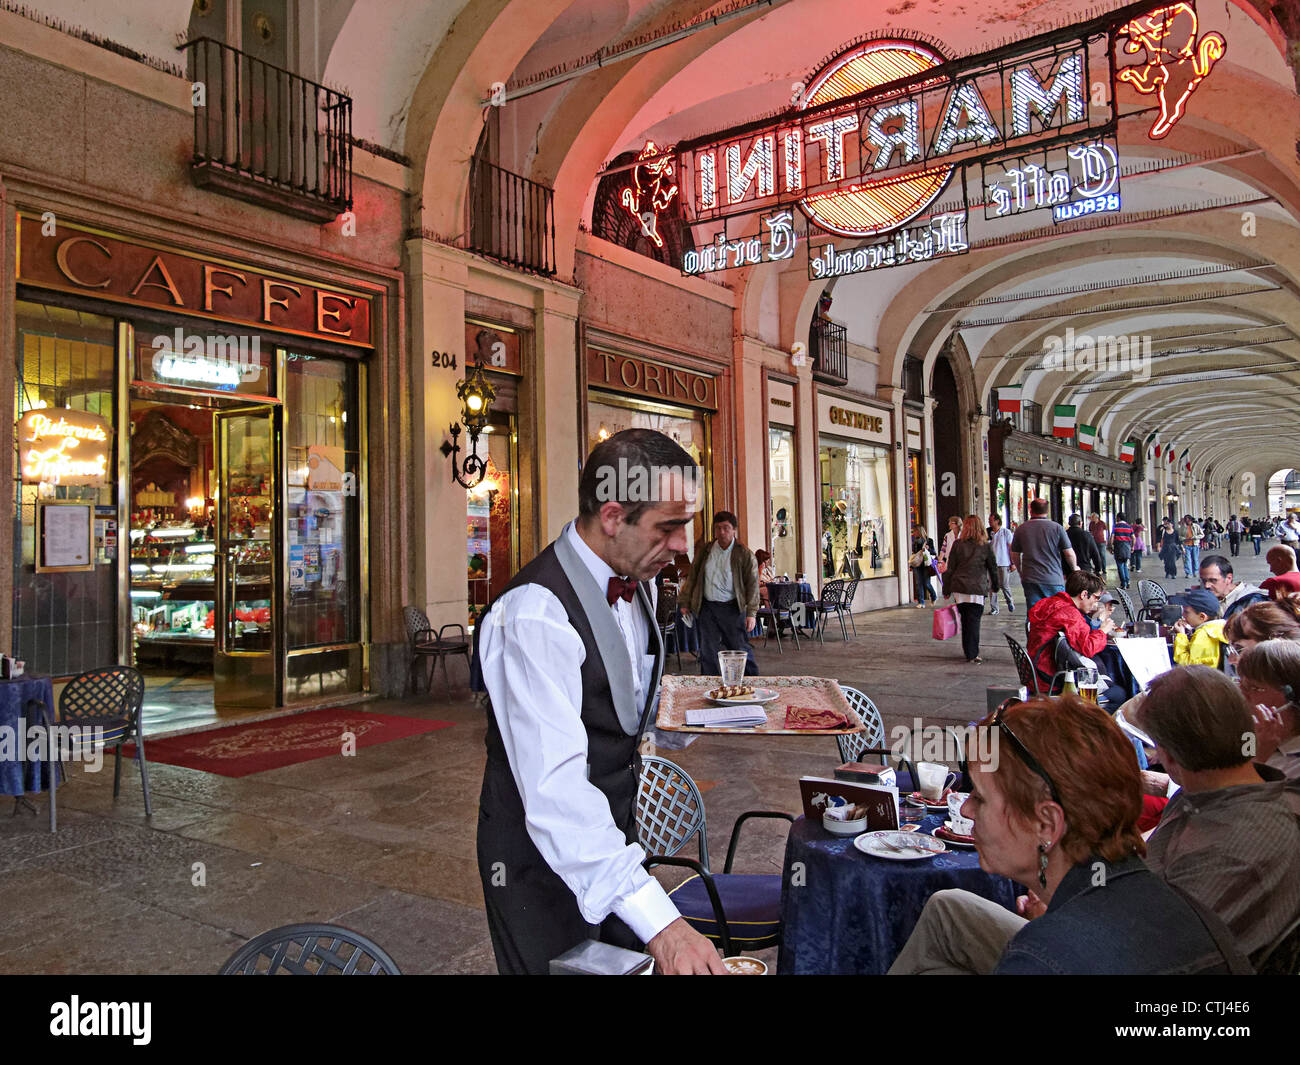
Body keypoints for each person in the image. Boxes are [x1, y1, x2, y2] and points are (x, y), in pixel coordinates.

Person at [474, 429, 726, 975]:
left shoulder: (643, 581)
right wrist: (662, 923)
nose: (684, 544)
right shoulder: (533, 615)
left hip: (616, 849)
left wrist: (692, 711)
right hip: (538, 866)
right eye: (670, 526)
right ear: (613, 516)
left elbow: (621, 708)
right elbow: (556, 794)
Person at [888, 696, 1232, 975]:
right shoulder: (1175, 902)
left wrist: (1051, 934)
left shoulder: (1043, 956)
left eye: (979, 797)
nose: (965, 811)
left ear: (1046, 825)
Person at [1135, 666, 1300, 962]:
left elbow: (1152, 954)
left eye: (1156, 748)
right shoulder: (1201, 793)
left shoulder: (1232, 849)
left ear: (1169, 756)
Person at [682, 510, 760, 677]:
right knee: (708, 650)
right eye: (718, 528)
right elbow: (693, 577)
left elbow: (753, 586)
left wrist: (751, 613)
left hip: (732, 608)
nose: (722, 532)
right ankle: (710, 684)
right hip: (707, 607)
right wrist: (685, 602)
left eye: (726, 528)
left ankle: (752, 681)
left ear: (734, 530)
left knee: (739, 647)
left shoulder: (744, 555)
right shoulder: (706, 550)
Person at [1026, 570, 1121, 700]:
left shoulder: (1050, 602)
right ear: (1084, 594)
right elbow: (1088, 648)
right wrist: (1102, 631)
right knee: (1119, 694)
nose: (1096, 603)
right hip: (1051, 679)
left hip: (1034, 673)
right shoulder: (1070, 614)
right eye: (1096, 598)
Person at [1237, 641, 1300, 782]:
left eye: (1253, 687)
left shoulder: (1295, 766)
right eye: (1240, 684)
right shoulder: (1250, 734)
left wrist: (1259, 759)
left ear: (1293, 698)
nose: (1241, 694)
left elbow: (1239, 799)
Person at [942, 515, 1000, 664]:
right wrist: (995, 585)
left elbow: (950, 568)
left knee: (965, 620)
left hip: (960, 588)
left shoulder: (957, 544)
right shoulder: (985, 545)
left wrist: (946, 589)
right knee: (974, 621)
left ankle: (969, 650)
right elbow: (992, 568)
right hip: (977, 588)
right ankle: (972, 653)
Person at [1010, 498, 1077, 610]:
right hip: (1053, 578)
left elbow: (1014, 554)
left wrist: (1020, 571)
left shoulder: (1021, 529)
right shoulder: (1057, 528)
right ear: (1047, 511)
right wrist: (1075, 568)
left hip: (1031, 578)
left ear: (1031, 510)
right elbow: (1069, 553)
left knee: (1034, 613)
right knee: (1056, 613)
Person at [1168, 588, 1227, 667]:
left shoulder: (1203, 634)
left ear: (1202, 616)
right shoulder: (1218, 627)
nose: (1183, 615)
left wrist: (1181, 635)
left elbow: (1187, 664)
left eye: (1186, 612)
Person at [1198, 554, 1265, 621]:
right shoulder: (1203, 600)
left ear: (1228, 578)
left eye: (1213, 580)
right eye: (1203, 580)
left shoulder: (1252, 601)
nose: (1207, 585)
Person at [988, 513, 1015, 615]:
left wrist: (1013, 563)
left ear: (997, 521)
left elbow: (1011, 547)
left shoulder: (1006, 532)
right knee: (992, 586)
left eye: (991, 520)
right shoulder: (989, 533)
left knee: (1004, 584)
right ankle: (994, 608)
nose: (989, 523)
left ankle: (1010, 601)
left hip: (1003, 562)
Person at [909, 524, 939, 608]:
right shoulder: (914, 542)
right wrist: (911, 565)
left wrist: (928, 548)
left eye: (914, 531)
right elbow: (914, 554)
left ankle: (933, 596)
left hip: (926, 564)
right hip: (917, 565)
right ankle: (921, 602)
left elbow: (934, 553)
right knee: (918, 583)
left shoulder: (929, 540)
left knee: (927, 583)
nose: (913, 533)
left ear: (919, 531)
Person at [1109, 512, 1134, 590]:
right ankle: (1128, 581)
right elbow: (1133, 537)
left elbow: (1112, 537)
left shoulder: (1116, 526)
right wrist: (1132, 546)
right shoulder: (1129, 527)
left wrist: (1111, 547)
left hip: (1118, 547)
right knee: (1125, 565)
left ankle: (1123, 583)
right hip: (1127, 547)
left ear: (1118, 518)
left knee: (1120, 565)